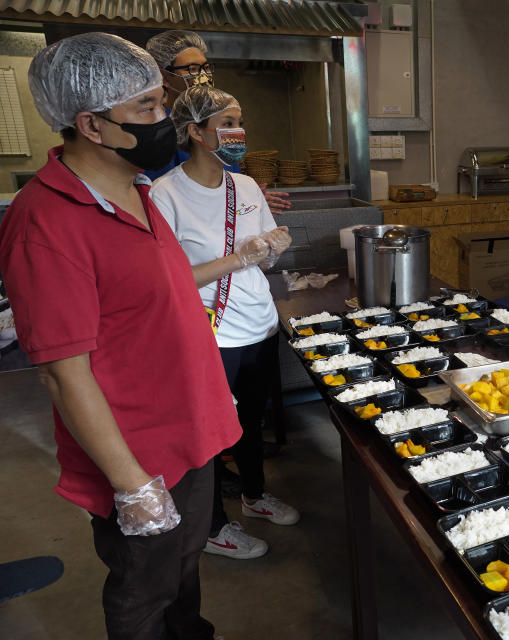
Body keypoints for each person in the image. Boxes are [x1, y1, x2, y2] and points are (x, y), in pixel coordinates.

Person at [0, 32, 240, 638]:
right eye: (149, 108)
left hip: (191, 433)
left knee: (184, 572)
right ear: (93, 124)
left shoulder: (133, 190)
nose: (166, 120)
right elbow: (62, 371)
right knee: (144, 589)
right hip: (140, 455)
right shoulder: (46, 222)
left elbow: (156, 305)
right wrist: (132, 485)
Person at [151, 85, 299, 560]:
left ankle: (254, 496)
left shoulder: (248, 186)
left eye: (240, 122)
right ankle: (214, 525)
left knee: (253, 420)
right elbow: (170, 280)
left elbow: (262, 259)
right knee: (214, 431)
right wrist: (239, 258)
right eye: (226, 125)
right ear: (194, 131)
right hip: (212, 334)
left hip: (260, 323)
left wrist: (272, 249)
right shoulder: (165, 194)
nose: (239, 133)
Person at [144, 30, 291, 215]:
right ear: (163, 77)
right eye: (193, 69)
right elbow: (161, 201)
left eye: (206, 67)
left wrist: (248, 199)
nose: (203, 76)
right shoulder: (157, 130)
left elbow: (229, 186)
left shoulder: (216, 125)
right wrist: (231, 204)